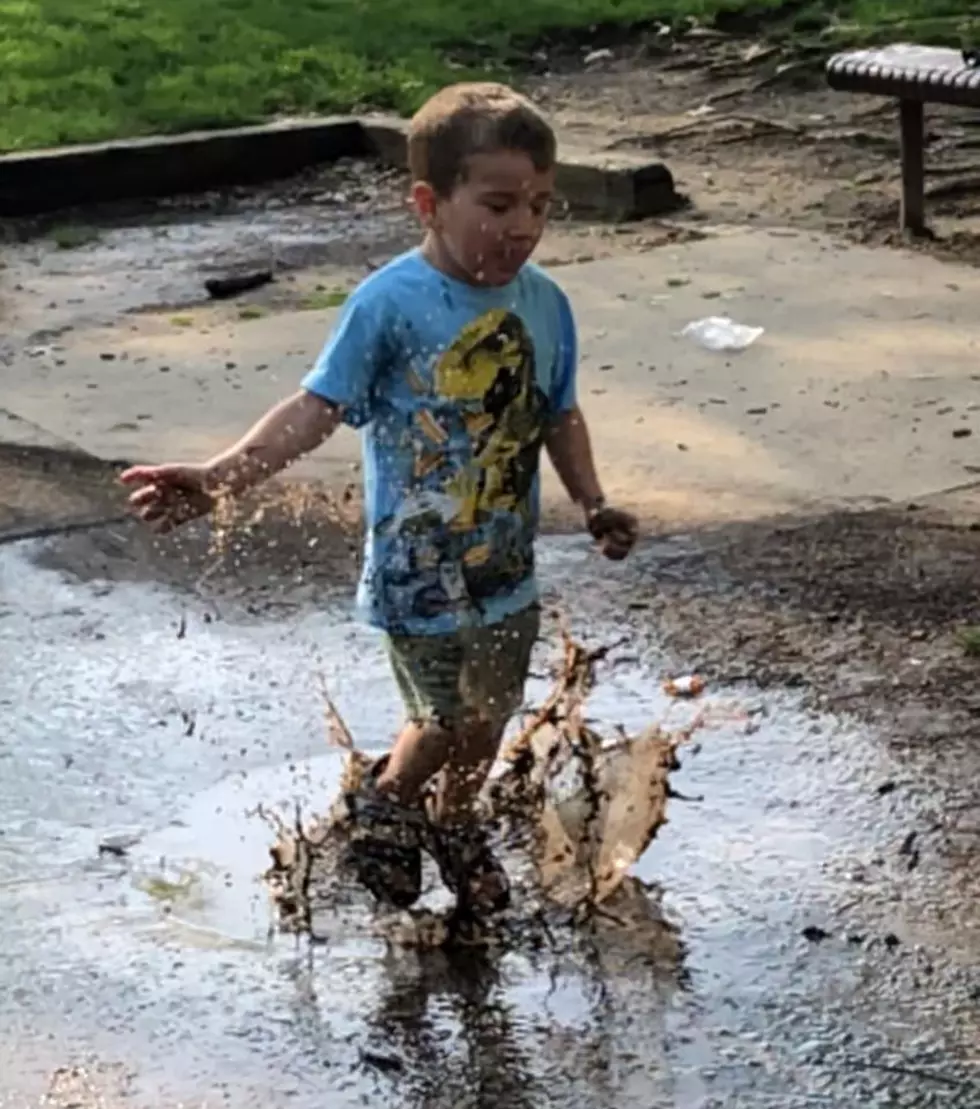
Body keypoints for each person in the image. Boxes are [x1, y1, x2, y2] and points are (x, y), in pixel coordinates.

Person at [120, 81, 638, 917]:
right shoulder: (388, 304)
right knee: (439, 719)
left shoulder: (547, 304)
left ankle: (456, 819)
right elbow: (315, 407)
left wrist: (592, 500)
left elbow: (558, 411)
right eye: (499, 204)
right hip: (418, 570)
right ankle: (388, 802)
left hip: (506, 567)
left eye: (542, 205)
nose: (523, 227)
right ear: (430, 203)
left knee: (491, 717)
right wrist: (219, 477)